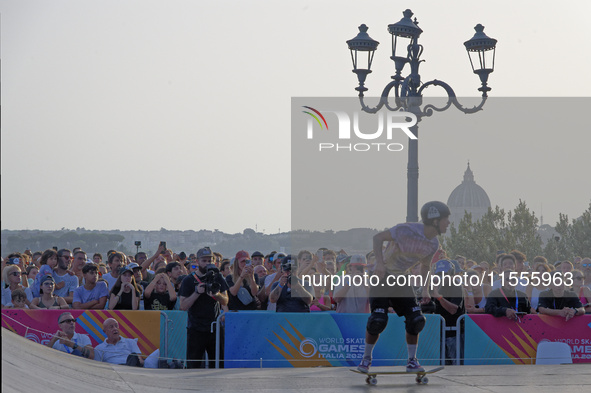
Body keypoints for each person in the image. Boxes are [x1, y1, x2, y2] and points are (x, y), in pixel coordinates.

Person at [357, 201, 451, 374]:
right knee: (378, 320)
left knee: (416, 320)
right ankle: (366, 359)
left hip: (401, 280)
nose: (449, 223)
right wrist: (379, 263)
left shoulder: (433, 244)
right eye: (446, 219)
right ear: (435, 220)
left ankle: (412, 361)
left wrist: (425, 289)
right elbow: (378, 238)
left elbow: (425, 266)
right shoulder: (406, 230)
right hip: (382, 277)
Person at [179, 247, 229, 368]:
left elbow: (226, 300)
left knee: (218, 364)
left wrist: (216, 295)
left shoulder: (218, 277)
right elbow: (183, 306)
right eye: (204, 260)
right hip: (196, 328)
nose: (207, 264)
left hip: (214, 327)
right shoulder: (189, 280)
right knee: (193, 365)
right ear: (197, 261)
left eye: (210, 261)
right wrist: (197, 293)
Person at [431, 260, 465, 365]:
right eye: (439, 274)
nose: (442, 276)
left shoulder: (456, 286)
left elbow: (453, 310)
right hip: (438, 334)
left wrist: (439, 297)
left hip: (454, 334)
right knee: (440, 366)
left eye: (444, 274)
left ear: (451, 273)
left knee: (456, 365)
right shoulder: (434, 287)